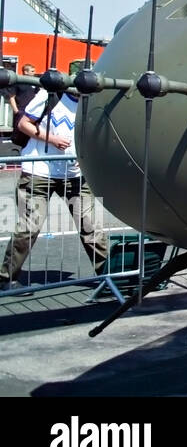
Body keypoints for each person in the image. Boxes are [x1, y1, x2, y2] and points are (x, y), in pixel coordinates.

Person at [0, 74, 108, 290]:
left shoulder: (94, 104)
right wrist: (53, 139)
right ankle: (6, 278)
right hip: (38, 173)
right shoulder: (51, 96)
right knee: (29, 228)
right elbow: (23, 123)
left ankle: (108, 276)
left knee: (91, 227)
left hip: (74, 176)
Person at [4, 64, 39, 149]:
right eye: (32, 71)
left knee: (29, 132)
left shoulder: (35, 82)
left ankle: (27, 147)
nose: (34, 73)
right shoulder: (18, 82)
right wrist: (16, 110)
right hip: (21, 110)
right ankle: (15, 150)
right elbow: (12, 97)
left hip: (31, 111)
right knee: (19, 131)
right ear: (26, 72)